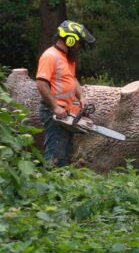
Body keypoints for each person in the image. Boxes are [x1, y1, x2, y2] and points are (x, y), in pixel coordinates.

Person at [35, 20, 95, 167]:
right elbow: (41, 83)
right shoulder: (50, 56)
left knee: (66, 153)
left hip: (66, 112)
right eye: (78, 43)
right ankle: (49, 184)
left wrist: (81, 97)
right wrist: (55, 107)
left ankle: (61, 185)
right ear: (70, 40)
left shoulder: (68, 58)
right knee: (55, 154)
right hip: (54, 112)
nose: (79, 46)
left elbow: (72, 80)